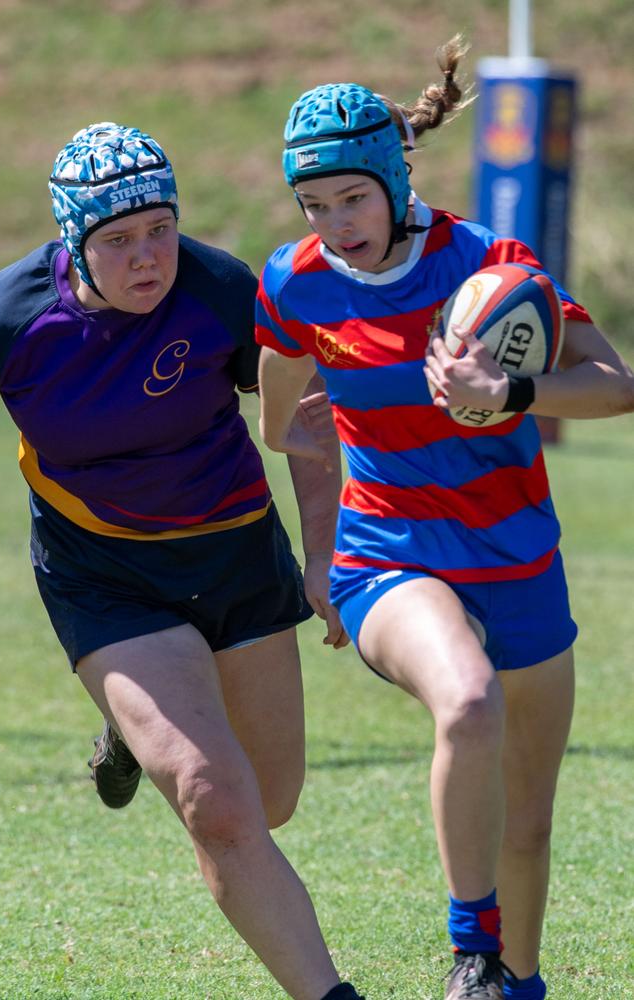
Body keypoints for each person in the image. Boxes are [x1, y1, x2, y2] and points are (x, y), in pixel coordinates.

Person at [255, 36, 634, 1000]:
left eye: (352, 200)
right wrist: (319, 545)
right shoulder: (296, 283)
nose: (335, 225)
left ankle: (517, 981)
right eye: (315, 206)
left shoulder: (492, 265)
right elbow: (287, 428)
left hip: (518, 560)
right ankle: (471, 949)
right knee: (466, 698)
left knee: (529, 823)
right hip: (389, 555)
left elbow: (614, 386)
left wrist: (507, 391)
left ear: (392, 179)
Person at [0, 121, 366, 1000]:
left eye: (160, 229)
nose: (148, 256)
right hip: (105, 579)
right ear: (74, 240)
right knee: (213, 797)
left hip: (237, 557)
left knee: (269, 803)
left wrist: (322, 555)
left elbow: (307, 418)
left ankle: (134, 725)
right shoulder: (12, 319)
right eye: (117, 241)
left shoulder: (221, 290)